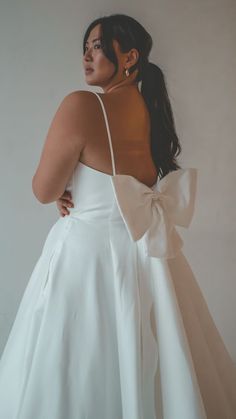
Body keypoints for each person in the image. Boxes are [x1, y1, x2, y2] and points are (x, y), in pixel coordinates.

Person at [0, 13, 236, 419]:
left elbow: (43, 190)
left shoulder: (81, 104)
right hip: (146, 255)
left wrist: (63, 190)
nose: (86, 56)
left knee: (79, 362)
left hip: (87, 258)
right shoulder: (151, 112)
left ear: (129, 57)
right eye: (85, 47)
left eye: (97, 45)